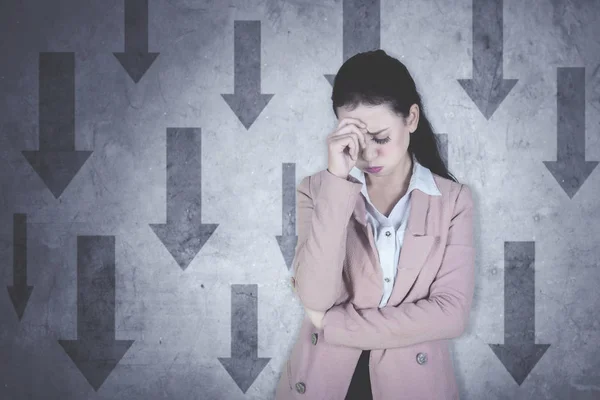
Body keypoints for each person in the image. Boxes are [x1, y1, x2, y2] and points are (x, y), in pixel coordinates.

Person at [275, 49, 476, 400]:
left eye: (380, 138)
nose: (368, 156)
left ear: (411, 118)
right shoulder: (316, 190)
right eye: (356, 140)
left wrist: (335, 324)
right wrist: (337, 181)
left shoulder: (454, 201)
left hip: (414, 386)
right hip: (323, 381)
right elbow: (316, 295)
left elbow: (450, 314)